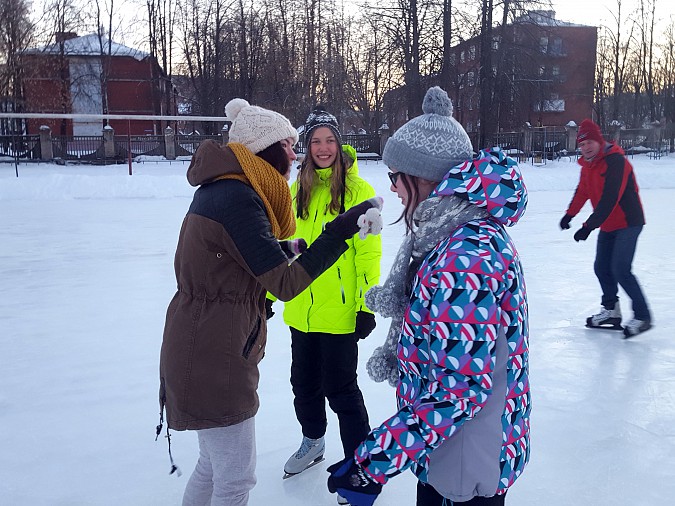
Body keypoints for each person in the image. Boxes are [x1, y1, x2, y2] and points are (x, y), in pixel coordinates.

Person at [157, 97, 383, 506]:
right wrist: (335, 234)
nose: (299, 152)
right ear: (268, 147)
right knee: (235, 478)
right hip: (218, 347)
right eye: (292, 143)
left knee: (215, 465)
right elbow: (285, 282)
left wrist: (286, 248)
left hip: (214, 336)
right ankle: (314, 443)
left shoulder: (226, 188)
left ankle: (358, 466)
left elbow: (235, 252)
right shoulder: (242, 197)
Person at [326, 86, 531, 506]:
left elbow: (461, 389)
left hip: (468, 455)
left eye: (395, 177)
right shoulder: (443, 237)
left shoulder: (465, 257)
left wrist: (372, 463)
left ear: (421, 177)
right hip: (443, 446)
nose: (394, 190)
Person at [278, 107, 382, 501]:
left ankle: (361, 464)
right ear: (307, 147)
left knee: (341, 390)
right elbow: (285, 253)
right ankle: (313, 441)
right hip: (300, 310)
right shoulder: (295, 192)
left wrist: (366, 305)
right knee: (303, 385)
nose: (323, 148)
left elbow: (368, 256)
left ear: (340, 145)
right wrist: (271, 294)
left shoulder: (357, 193)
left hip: (340, 314)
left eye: (329, 140)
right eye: (316, 141)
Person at [559, 118, 651, 338]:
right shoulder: (588, 165)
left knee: (620, 269)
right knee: (601, 267)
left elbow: (610, 199)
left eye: (589, 142)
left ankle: (643, 316)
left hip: (629, 222)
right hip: (608, 223)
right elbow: (582, 191)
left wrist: (588, 227)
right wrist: (569, 214)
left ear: (599, 141)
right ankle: (611, 311)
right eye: (581, 145)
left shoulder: (616, 162)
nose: (586, 147)